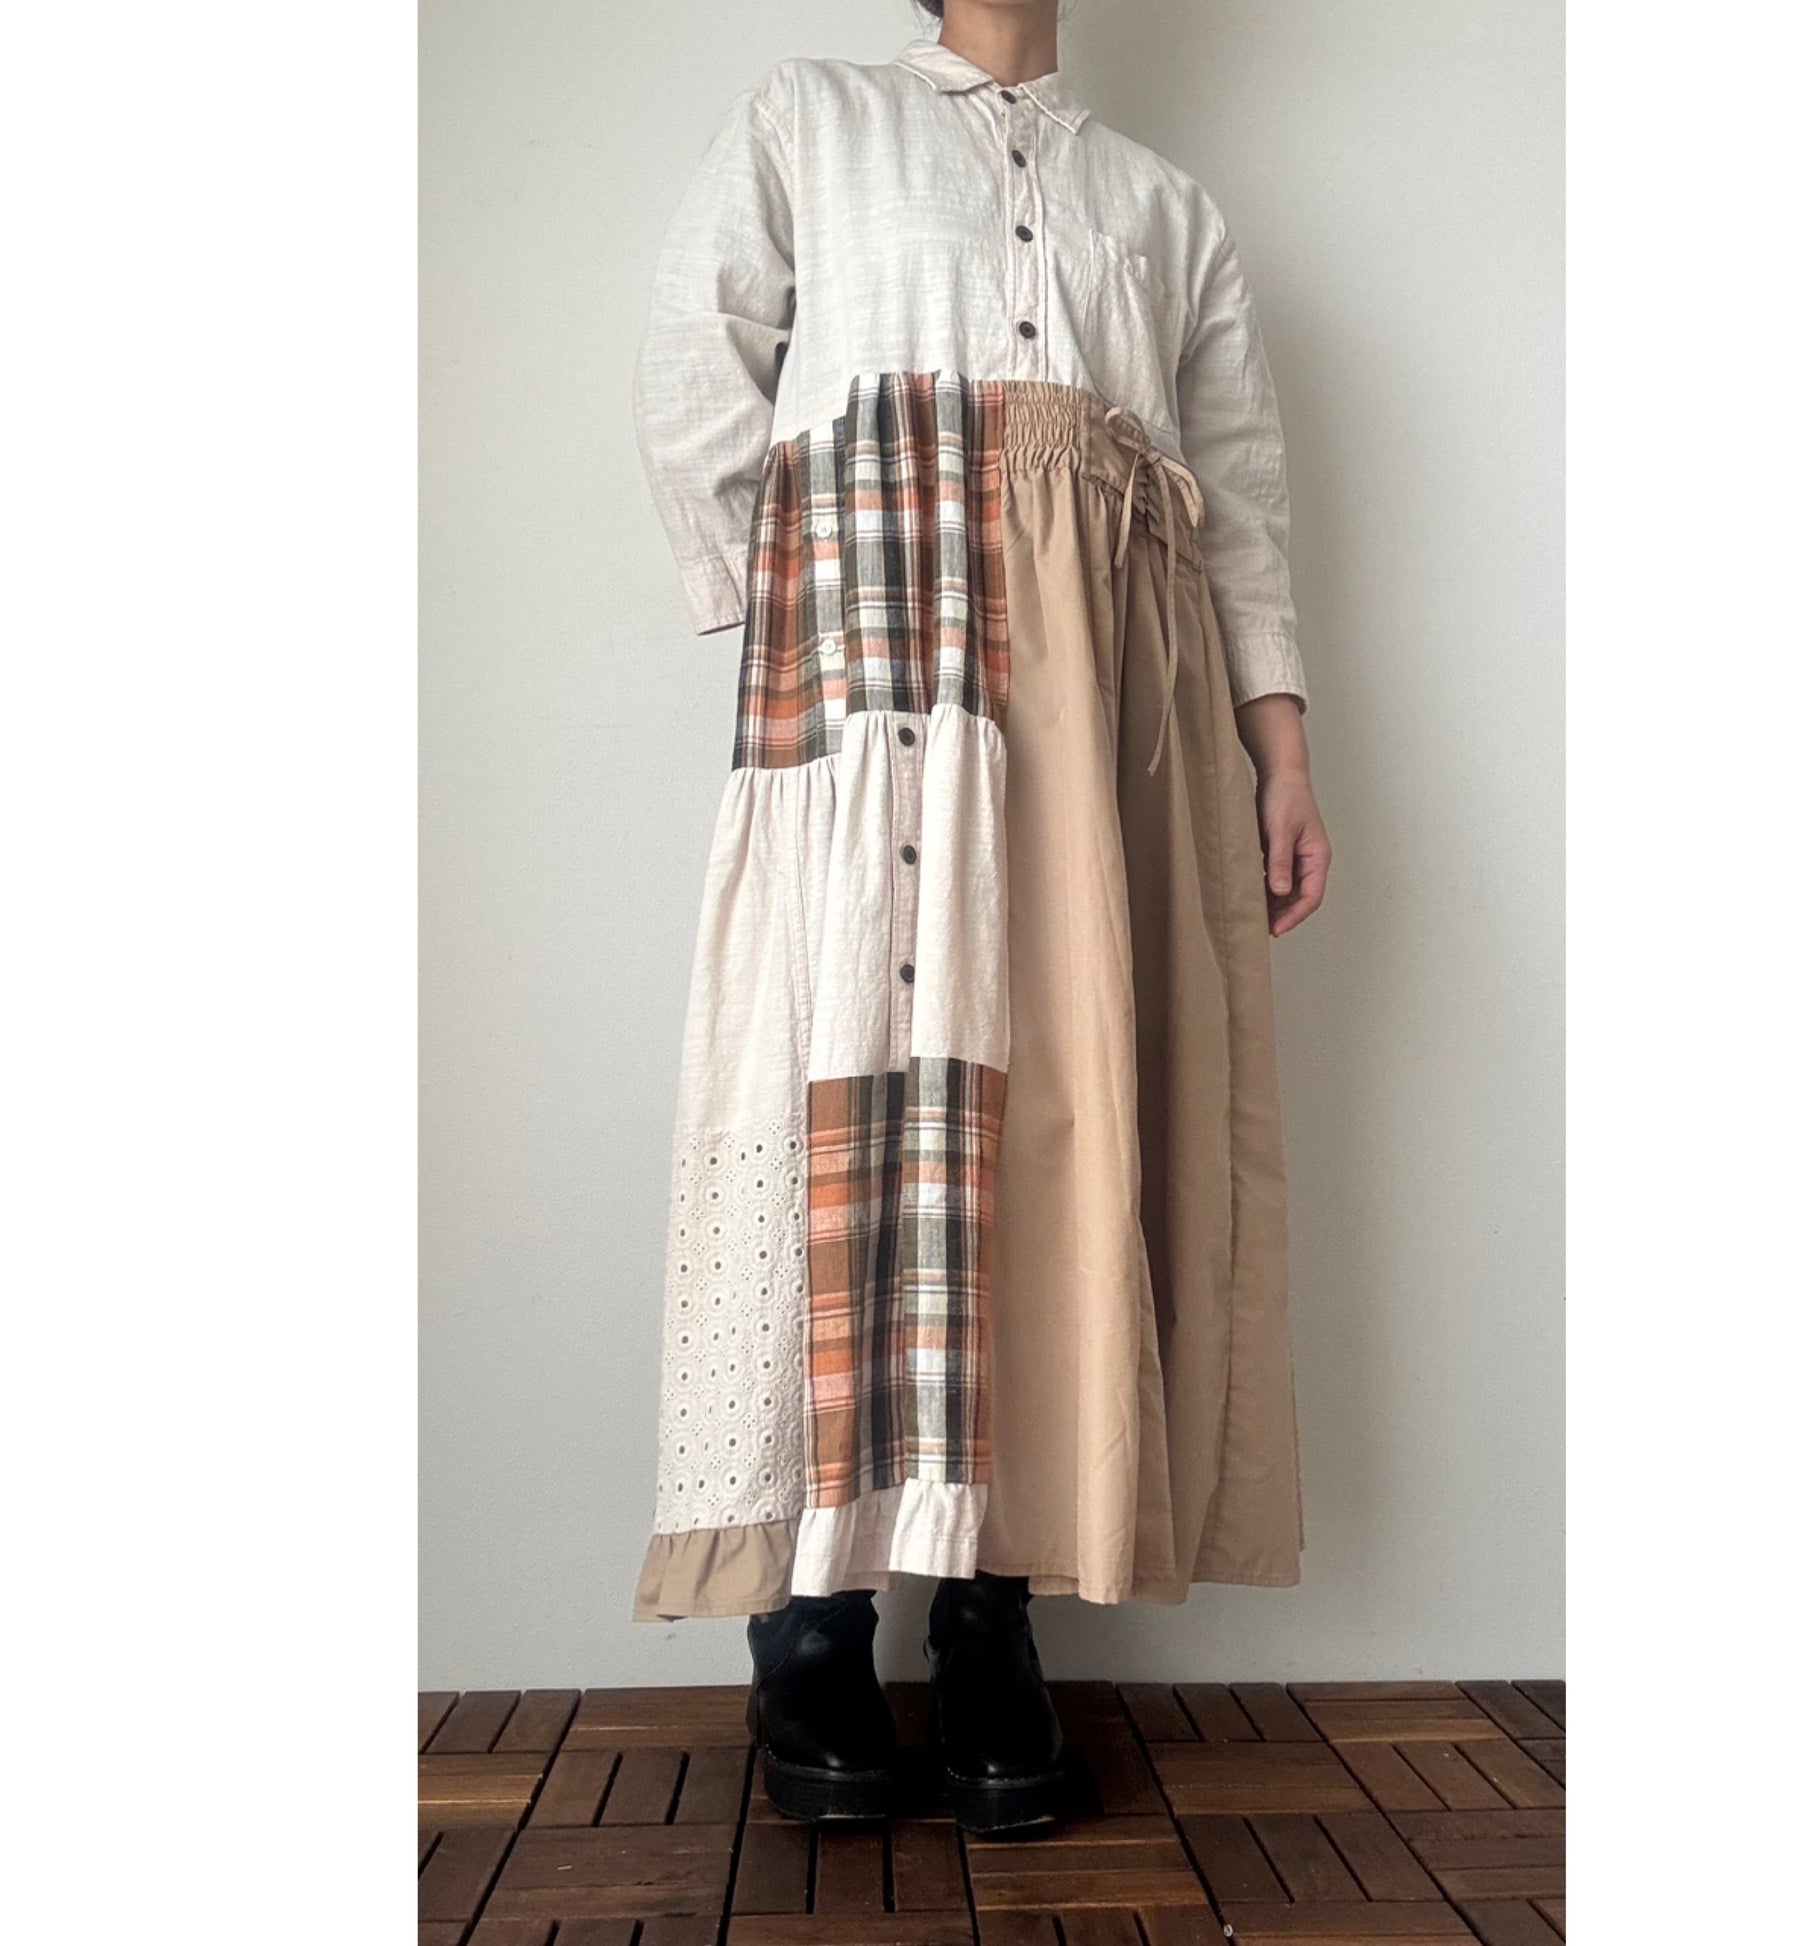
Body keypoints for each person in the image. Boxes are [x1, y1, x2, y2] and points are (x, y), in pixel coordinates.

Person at [630, 0, 1330, 1835]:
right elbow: (697, 352)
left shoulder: (1162, 202)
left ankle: (989, 1611)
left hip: (1110, 698)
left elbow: (1239, 493)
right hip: (881, 669)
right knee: (855, 1089)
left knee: (1057, 1121)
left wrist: (1277, 746)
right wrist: (794, 604)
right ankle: (810, 1618)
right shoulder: (812, 116)